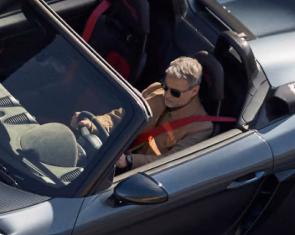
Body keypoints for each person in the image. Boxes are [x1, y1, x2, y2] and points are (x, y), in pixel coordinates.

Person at [72, 56, 213, 170]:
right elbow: (121, 116)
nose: (167, 95)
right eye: (166, 87)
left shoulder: (201, 127)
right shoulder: (156, 90)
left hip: (139, 176)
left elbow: (171, 161)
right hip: (112, 155)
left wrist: (130, 161)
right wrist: (93, 123)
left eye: (175, 92)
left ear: (194, 91)